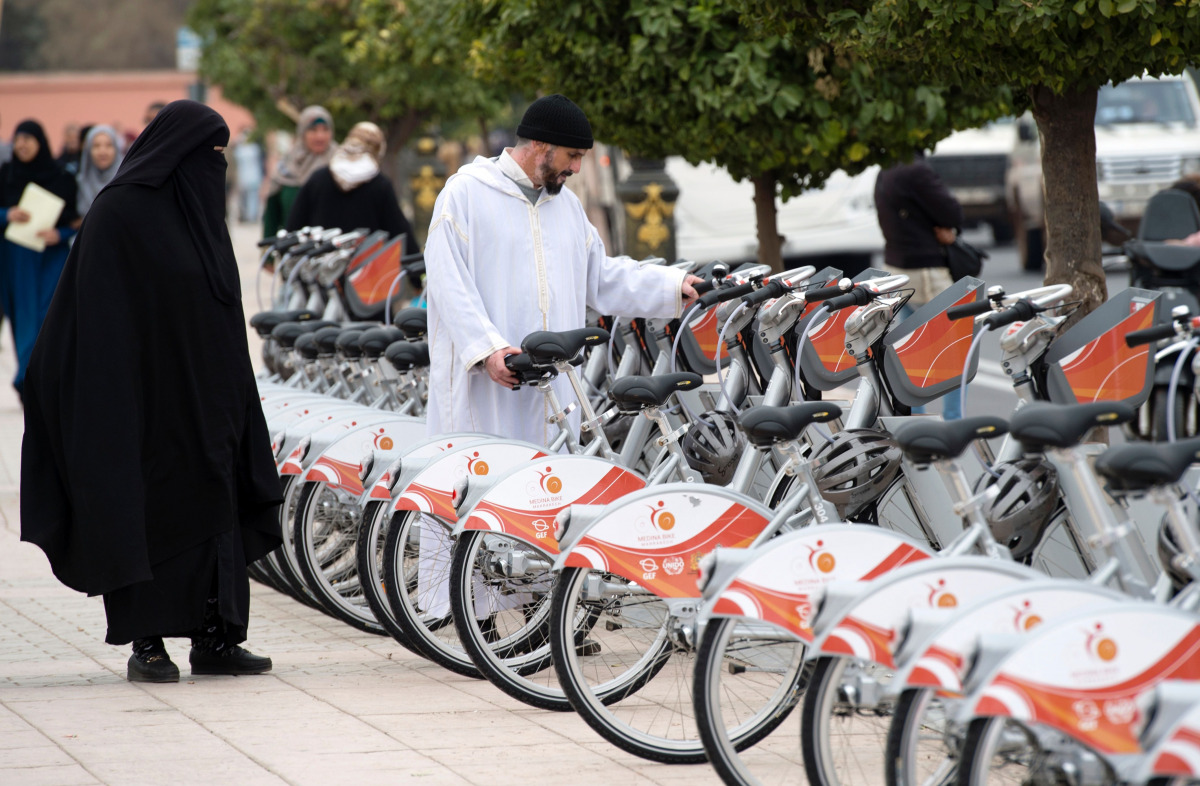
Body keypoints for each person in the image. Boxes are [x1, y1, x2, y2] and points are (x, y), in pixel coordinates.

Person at [20, 100, 283, 683]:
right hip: (141, 408)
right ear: (180, 153)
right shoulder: (119, 214)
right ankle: (149, 645)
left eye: (223, 154)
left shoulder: (199, 210)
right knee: (150, 516)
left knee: (217, 512)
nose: (217, 164)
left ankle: (216, 640)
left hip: (209, 403)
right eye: (209, 153)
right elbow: (86, 320)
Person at [424, 94, 702, 445]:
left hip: (553, 388)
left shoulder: (567, 206)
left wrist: (673, 284)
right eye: (573, 156)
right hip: (488, 386)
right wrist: (488, 350)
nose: (577, 168)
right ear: (540, 145)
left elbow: (600, 275)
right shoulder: (464, 195)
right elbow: (448, 284)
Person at [874, 151, 965, 419]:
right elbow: (953, 212)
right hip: (927, 273)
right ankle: (953, 420)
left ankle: (915, 417)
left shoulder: (886, 168)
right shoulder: (916, 169)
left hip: (899, 270)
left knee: (910, 351)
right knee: (955, 351)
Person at [0, 120, 80, 400]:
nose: (22, 144)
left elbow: (77, 218)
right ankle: (27, 380)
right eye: (18, 139)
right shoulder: (6, 174)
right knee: (23, 320)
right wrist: (6, 214)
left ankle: (43, 379)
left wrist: (60, 233)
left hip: (51, 258)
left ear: (41, 141)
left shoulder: (61, 177)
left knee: (49, 317)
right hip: (16, 259)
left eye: (28, 138)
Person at [285, 121, 418, 254]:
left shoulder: (318, 178)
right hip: (366, 268)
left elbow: (294, 226)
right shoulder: (380, 184)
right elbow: (399, 232)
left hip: (321, 268)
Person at [262, 106, 335, 238]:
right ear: (302, 132)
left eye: (325, 130)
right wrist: (268, 253)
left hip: (331, 249)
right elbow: (272, 215)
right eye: (313, 130)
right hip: (292, 248)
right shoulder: (286, 165)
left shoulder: (340, 166)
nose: (320, 136)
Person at [75, 125, 125, 219]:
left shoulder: (126, 181)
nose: (102, 152)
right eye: (96, 146)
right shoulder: (81, 180)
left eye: (109, 145)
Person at [232, 127, 263, 224]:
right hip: (251, 176)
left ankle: (249, 216)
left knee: (249, 198)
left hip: (247, 177)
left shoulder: (242, 150)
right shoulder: (254, 148)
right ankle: (250, 216)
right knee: (251, 198)